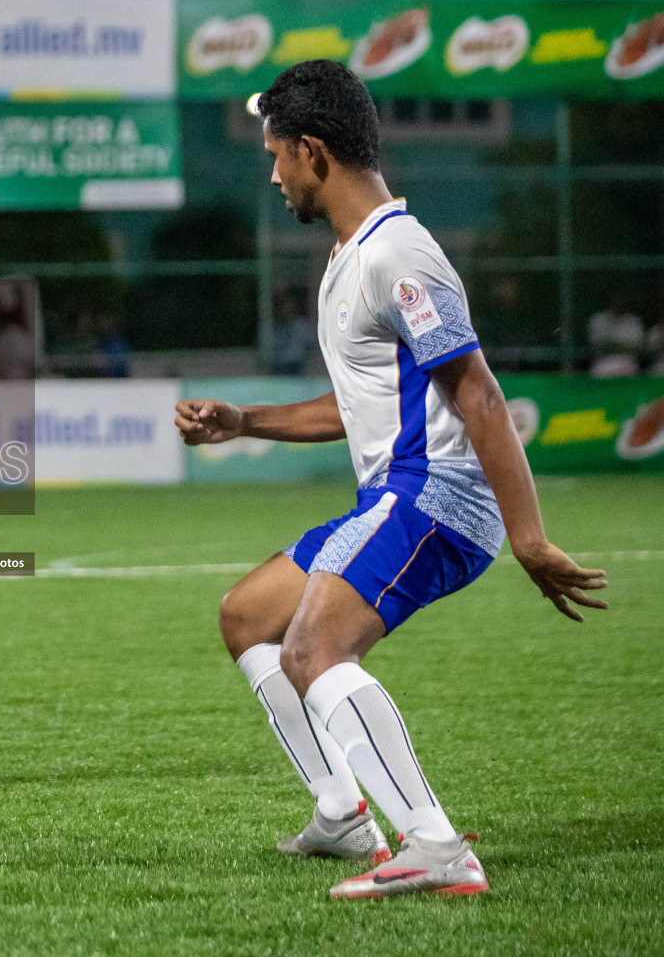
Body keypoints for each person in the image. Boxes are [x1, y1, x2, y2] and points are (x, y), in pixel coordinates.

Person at [175, 60, 607, 900]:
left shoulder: (397, 255)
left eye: (276, 156)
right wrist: (245, 420)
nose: (272, 175)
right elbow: (356, 405)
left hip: (438, 494)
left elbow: (477, 392)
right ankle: (342, 813)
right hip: (396, 493)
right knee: (247, 619)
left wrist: (529, 538)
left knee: (314, 648)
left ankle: (435, 846)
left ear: (313, 152)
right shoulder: (351, 257)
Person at [587, 289, 647, 378]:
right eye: (616, 299)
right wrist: (623, 345)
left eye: (622, 299)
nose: (619, 302)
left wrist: (613, 344)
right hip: (603, 361)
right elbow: (598, 344)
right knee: (600, 372)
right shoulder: (598, 319)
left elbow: (638, 347)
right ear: (610, 301)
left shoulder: (634, 322)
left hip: (628, 363)